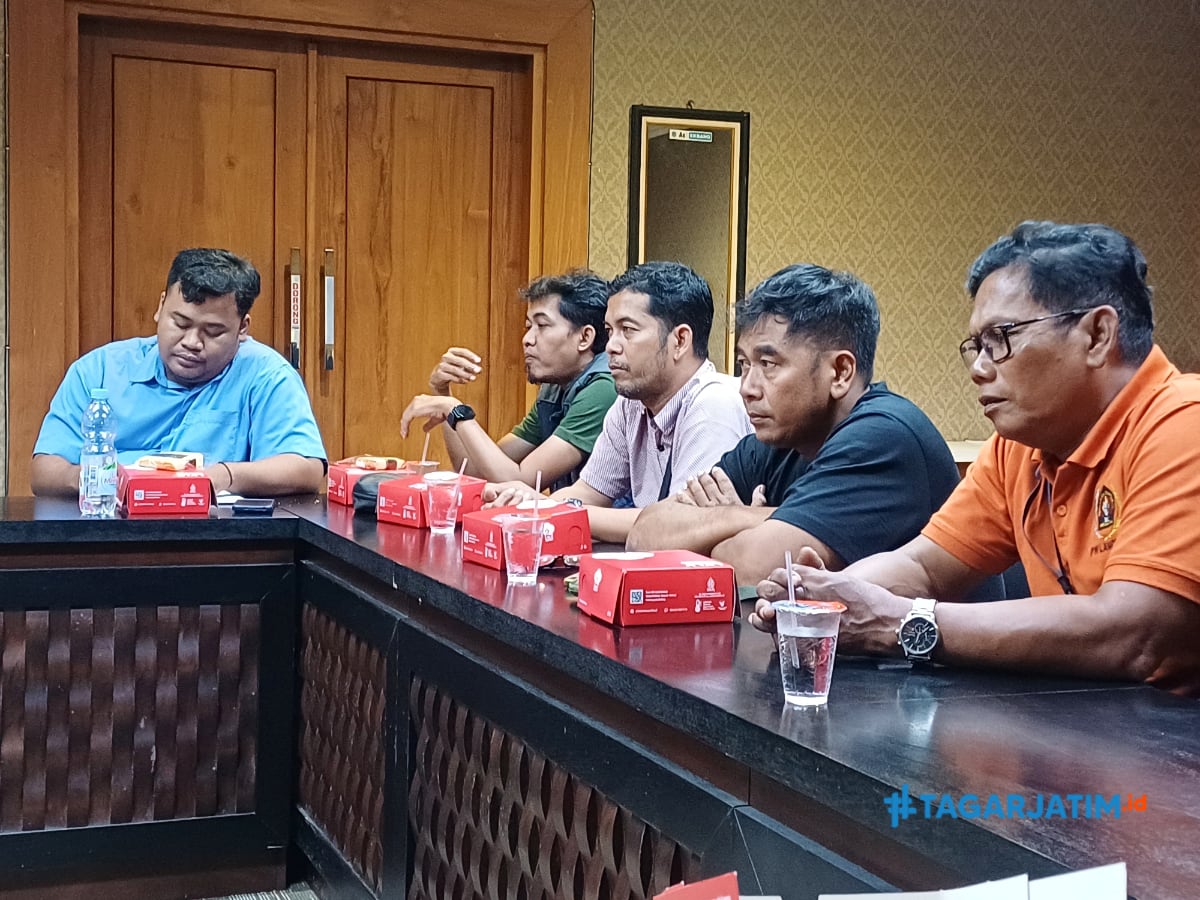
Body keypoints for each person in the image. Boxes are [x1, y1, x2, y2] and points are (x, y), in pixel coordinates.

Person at [751, 222, 1200, 695]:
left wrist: (900, 623)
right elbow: (924, 568)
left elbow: (1135, 634)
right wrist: (823, 605)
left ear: (1097, 335)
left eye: (1001, 338)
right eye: (977, 347)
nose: (980, 369)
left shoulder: (1182, 422)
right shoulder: (1021, 446)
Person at [627, 263, 959, 585]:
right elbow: (644, 535)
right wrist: (750, 516)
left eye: (768, 364)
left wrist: (715, 526)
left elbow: (750, 566)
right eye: (744, 364)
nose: (747, 387)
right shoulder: (777, 441)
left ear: (840, 372)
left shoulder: (884, 438)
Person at [488, 261, 752, 542]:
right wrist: (529, 505)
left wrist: (548, 508)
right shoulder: (630, 403)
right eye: (610, 330)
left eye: (627, 330)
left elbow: (680, 524)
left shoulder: (714, 404)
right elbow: (588, 492)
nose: (611, 346)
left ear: (680, 340)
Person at [32, 248, 327, 497]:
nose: (192, 342)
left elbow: (306, 468)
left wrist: (221, 476)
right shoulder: (99, 370)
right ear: (161, 306)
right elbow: (44, 471)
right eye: (181, 324)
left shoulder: (267, 375)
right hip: (110, 534)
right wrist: (103, 478)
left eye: (213, 331)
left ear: (242, 328)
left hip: (217, 539)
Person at [398, 270, 615, 492]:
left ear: (584, 337)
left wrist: (456, 411)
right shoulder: (555, 388)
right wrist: (442, 393)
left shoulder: (604, 388)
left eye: (542, 325)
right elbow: (476, 472)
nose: (527, 339)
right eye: (528, 326)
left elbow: (518, 481)